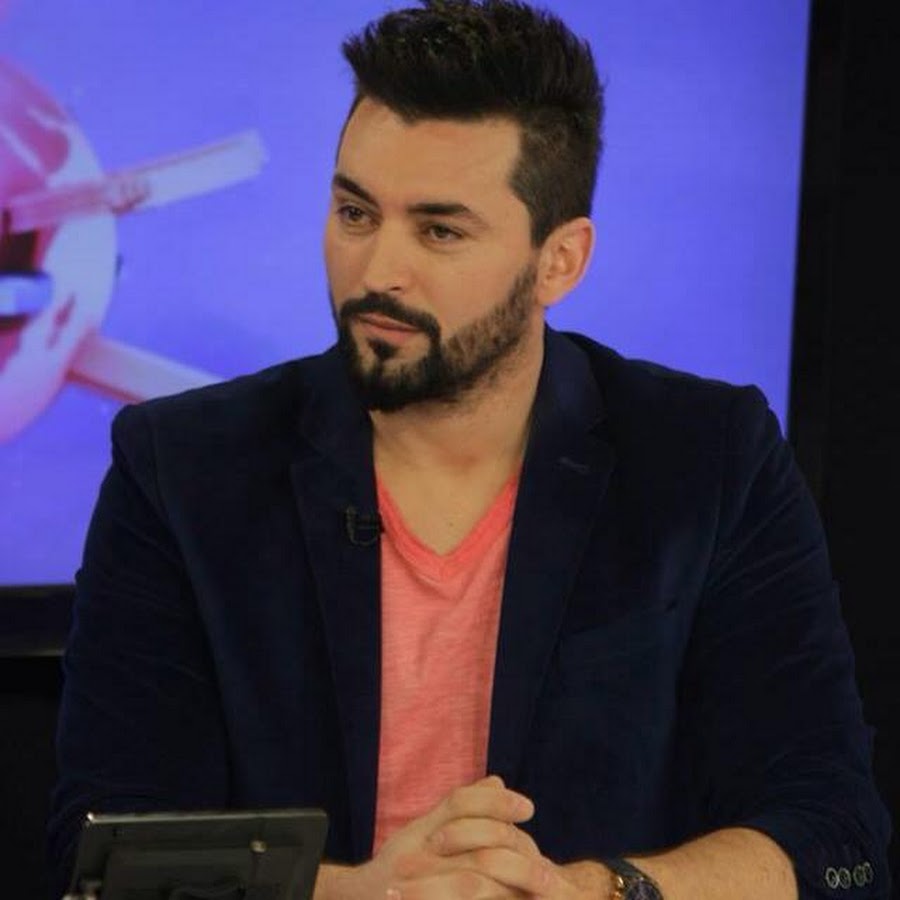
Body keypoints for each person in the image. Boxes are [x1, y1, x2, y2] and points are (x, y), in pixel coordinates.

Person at [49, 1, 891, 898]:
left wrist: (594, 892)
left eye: (440, 231)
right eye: (355, 211)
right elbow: (101, 854)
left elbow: (838, 844)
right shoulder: (181, 469)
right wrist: (368, 894)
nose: (378, 271)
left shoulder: (709, 459)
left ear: (560, 262)